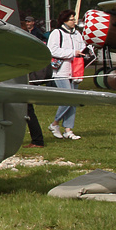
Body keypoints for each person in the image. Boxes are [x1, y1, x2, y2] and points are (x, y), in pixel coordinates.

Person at [47, 9, 88, 140]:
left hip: (76, 70)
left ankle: (68, 129)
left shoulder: (77, 34)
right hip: (61, 71)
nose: (74, 21)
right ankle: (55, 123)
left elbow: (82, 47)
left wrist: (86, 51)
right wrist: (72, 52)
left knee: (73, 100)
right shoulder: (57, 33)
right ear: (64, 20)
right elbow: (52, 50)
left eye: (74, 19)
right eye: (71, 19)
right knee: (67, 99)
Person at [21, 16, 47, 147]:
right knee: (27, 110)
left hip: (26, 78)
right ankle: (37, 139)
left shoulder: (35, 37)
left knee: (28, 110)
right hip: (25, 78)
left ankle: (37, 140)